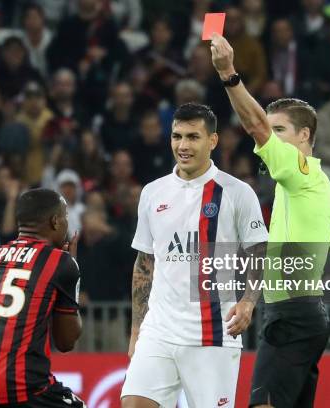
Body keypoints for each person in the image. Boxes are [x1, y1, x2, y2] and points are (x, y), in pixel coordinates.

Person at [209, 33, 330, 407]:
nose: (271, 138)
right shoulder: (324, 185)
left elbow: (255, 127)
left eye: (280, 130)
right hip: (308, 316)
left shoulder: (297, 171)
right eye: (273, 130)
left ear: (304, 136)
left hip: (292, 316)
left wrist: (228, 73)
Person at [121, 102, 269, 408]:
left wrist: (247, 302)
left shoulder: (236, 193)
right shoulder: (152, 192)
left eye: (192, 137)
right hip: (159, 331)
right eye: (177, 136)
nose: (183, 145)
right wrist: (137, 330)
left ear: (212, 141)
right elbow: (144, 265)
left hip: (212, 335)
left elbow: (260, 252)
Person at [0, 188, 84, 408]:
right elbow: (66, 341)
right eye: (65, 218)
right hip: (23, 387)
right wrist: (73, 271)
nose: (67, 226)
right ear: (55, 222)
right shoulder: (60, 262)